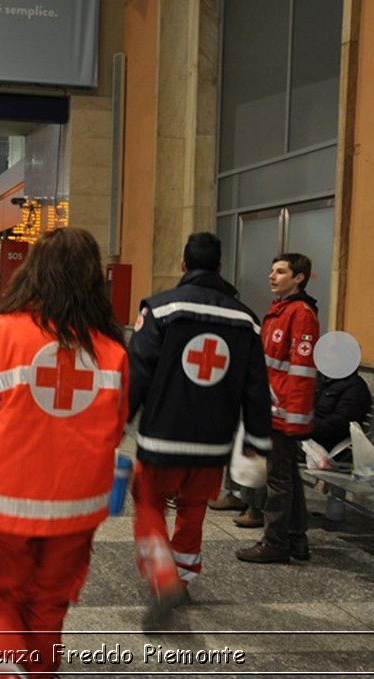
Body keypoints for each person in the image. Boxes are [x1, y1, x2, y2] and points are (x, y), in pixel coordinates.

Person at [0, 228, 127, 676]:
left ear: (33, 273)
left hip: (2, 497)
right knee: (50, 601)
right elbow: (114, 428)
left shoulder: (2, 333)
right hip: (76, 505)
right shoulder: (111, 350)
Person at [127, 233, 272, 630]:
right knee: (193, 509)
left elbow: (137, 372)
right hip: (214, 443)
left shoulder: (160, 309)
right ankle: (184, 577)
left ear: (183, 264)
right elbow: (256, 388)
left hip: (162, 437)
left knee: (149, 504)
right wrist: (258, 442)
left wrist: (116, 420)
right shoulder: (246, 320)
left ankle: (163, 577)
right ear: (221, 267)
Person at [237, 253, 320, 564]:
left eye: (281, 272)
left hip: (285, 412)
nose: (272, 276)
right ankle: (296, 540)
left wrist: (294, 418)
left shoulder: (300, 314)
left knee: (278, 480)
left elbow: (301, 370)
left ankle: (275, 543)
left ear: (299, 278)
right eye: (272, 270)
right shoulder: (278, 312)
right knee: (287, 476)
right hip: (274, 406)